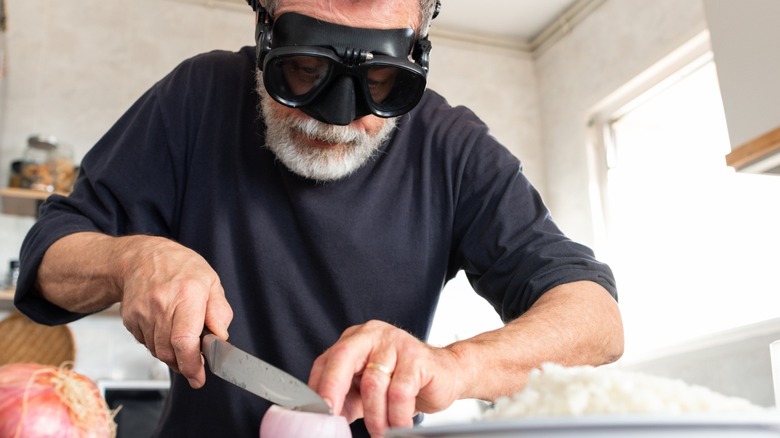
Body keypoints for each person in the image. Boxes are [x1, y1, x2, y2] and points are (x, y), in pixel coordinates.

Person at [14, 0, 624, 436]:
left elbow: (595, 320)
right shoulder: (196, 99)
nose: (334, 120)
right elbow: (49, 257)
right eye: (305, 71)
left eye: (381, 80)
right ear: (265, 31)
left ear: (417, 45)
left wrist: (453, 366)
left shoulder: (452, 148)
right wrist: (133, 260)